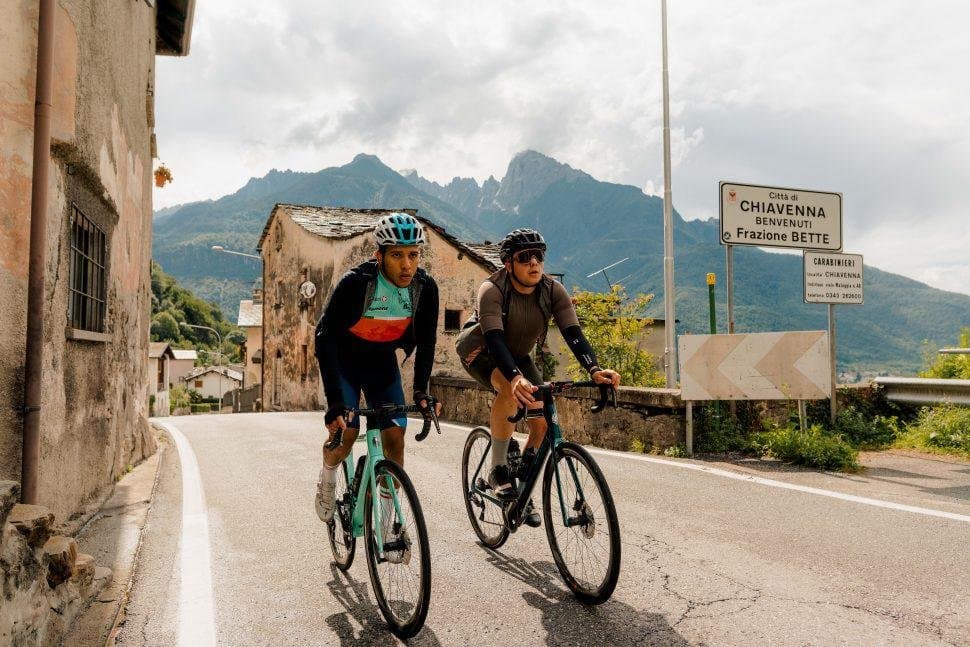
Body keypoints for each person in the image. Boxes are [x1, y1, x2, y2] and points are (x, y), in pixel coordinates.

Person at [457, 228, 620, 527]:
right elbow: (493, 338)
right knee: (510, 389)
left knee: (542, 421)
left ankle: (524, 472)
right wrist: (515, 378)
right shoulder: (492, 290)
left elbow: (573, 334)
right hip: (481, 350)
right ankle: (497, 470)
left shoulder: (553, 290)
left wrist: (595, 370)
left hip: (518, 355)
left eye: (539, 256)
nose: (534, 263)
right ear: (508, 264)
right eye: (524, 258)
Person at [314, 212, 441, 526]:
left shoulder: (425, 288)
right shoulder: (356, 284)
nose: (407, 265)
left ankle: (385, 523)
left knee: (395, 438)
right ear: (379, 256)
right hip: (343, 361)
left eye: (413, 255)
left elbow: (426, 342)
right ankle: (328, 475)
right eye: (397, 255)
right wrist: (335, 405)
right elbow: (324, 338)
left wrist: (422, 391)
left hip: (381, 363)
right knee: (348, 432)